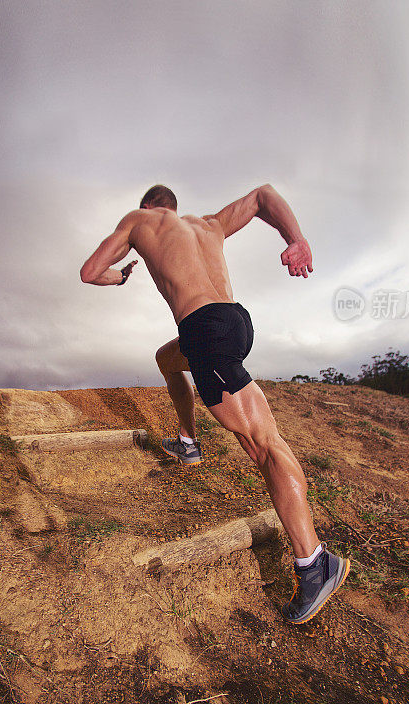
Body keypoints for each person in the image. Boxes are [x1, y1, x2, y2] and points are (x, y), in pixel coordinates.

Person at [80, 183, 349, 624]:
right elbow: (263, 196)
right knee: (167, 359)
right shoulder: (208, 225)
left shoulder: (137, 220)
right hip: (233, 322)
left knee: (264, 445)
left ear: (150, 206)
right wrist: (295, 240)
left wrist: (120, 275)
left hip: (206, 329)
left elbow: (91, 271)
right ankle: (189, 442)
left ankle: (314, 562)